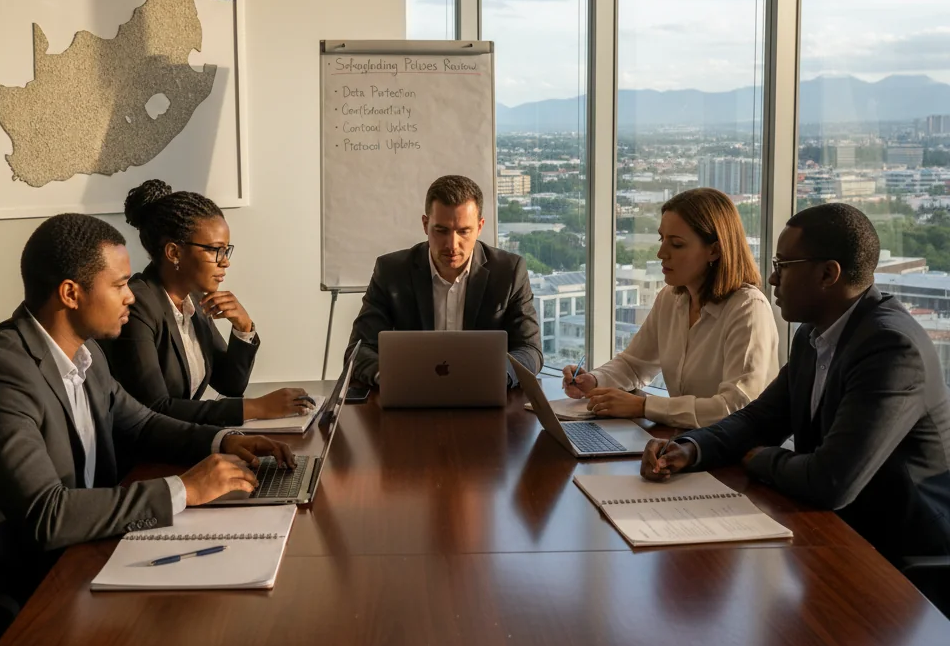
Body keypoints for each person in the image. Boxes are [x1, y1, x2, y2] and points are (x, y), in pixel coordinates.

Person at [0, 214, 296, 599]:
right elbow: (46, 516)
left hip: (79, 557)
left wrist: (223, 442)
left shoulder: (87, 356)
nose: (131, 295)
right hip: (6, 594)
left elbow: (141, 425)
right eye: (119, 284)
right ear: (71, 294)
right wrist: (184, 489)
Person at [641, 203, 950, 568]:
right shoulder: (813, 335)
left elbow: (830, 481)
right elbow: (758, 419)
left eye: (782, 266)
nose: (772, 279)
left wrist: (759, 457)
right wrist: (688, 448)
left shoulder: (890, 348)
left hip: (903, 561)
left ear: (827, 274)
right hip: (835, 536)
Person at [101, 179, 312, 426]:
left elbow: (230, 384)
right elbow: (155, 409)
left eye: (226, 250)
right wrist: (257, 407)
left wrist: (243, 327)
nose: (225, 262)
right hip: (143, 458)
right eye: (215, 250)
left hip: (182, 443)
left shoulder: (193, 299)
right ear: (174, 253)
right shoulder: (138, 307)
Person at [563, 188, 778, 429]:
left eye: (676, 244)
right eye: (661, 239)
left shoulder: (748, 309)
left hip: (732, 453)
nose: (661, 253)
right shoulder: (670, 298)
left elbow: (736, 406)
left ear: (714, 250)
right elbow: (634, 365)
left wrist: (644, 407)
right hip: (683, 443)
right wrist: (593, 380)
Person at [344, 174, 542, 387]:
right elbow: (358, 350)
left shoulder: (509, 271)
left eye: (464, 231)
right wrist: (389, 376)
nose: (452, 245)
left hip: (484, 397)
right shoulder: (392, 271)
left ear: (480, 227)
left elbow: (530, 350)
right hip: (410, 395)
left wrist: (496, 376)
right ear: (425, 224)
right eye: (441, 231)